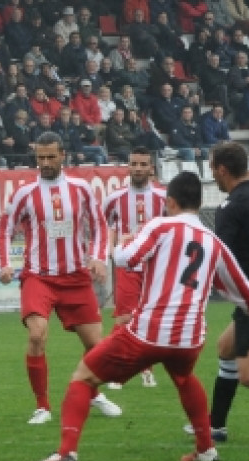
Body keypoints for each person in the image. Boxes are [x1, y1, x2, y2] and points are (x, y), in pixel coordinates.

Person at [30, 170, 249, 461]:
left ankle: (66, 453)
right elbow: (244, 290)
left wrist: (125, 241)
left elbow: (124, 259)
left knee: (84, 377)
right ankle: (206, 448)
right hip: (190, 338)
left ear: (169, 202)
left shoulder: (160, 227)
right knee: (184, 378)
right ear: (199, 202)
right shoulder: (213, 241)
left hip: (148, 333)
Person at [0, 132, 122, 425]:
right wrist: (4, 264)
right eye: (41, 158)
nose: (46, 162)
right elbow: (4, 230)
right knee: (37, 335)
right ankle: (42, 406)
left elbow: (101, 227)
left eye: (51, 157)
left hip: (75, 276)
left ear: (63, 155)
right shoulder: (24, 193)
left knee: (96, 346)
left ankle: (93, 394)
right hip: (38, 276)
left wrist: (99, 258)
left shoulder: (81, 189)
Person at [182, 142, 249, 442]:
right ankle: (215, 425)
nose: (212, 175)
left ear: (222, 169)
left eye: (212, 169)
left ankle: (215, 424)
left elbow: (221, 257)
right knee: (226, 347)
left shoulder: (230, 207)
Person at [102, 147, 166, 389]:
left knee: (149, 319)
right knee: (124, 318)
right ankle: (116, 371)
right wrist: (109, 252)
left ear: (151, 167)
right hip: (127, 265)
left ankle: (145, 368)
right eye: (134, 164)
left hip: (154, 266)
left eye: (143, 164)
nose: (138, 168)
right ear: (128, 166)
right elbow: (105, 226)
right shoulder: (114, 199)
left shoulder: (163, 197)